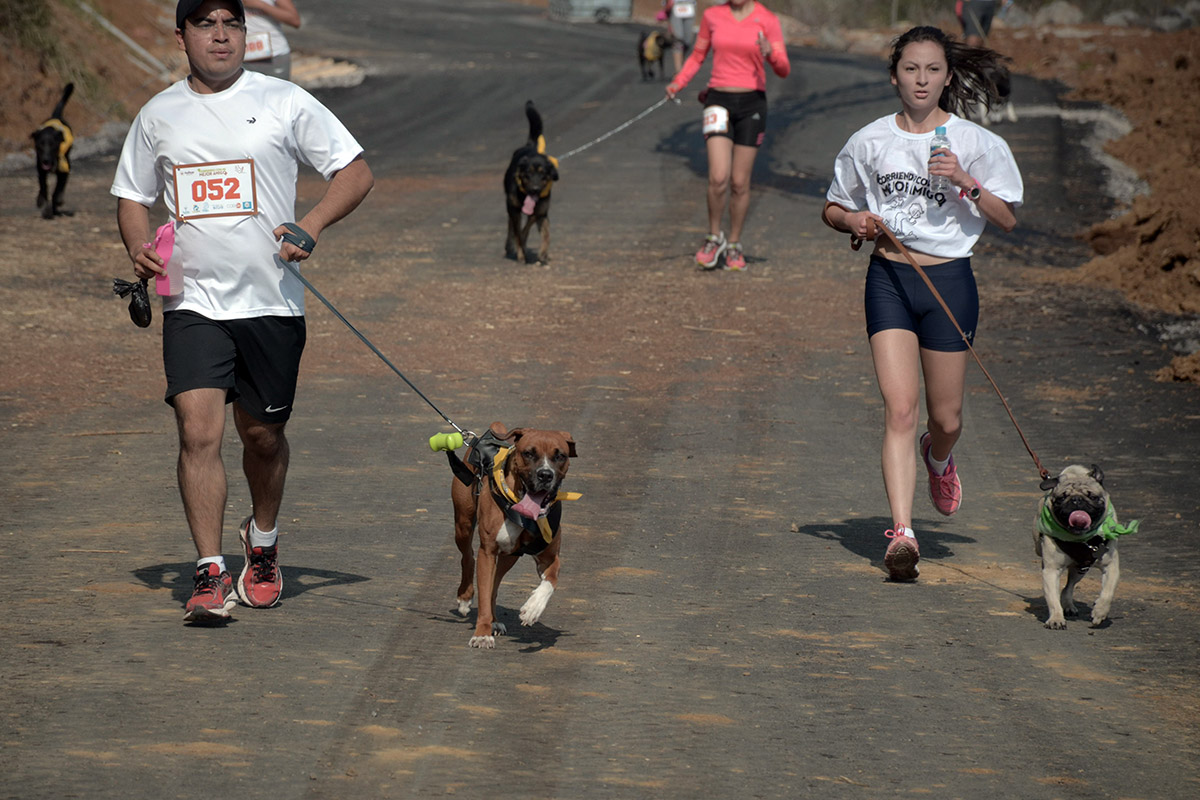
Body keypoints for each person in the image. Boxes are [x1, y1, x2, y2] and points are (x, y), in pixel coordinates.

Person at [111, 0, 374, 622]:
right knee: (197, 433)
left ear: (246, 35)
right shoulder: (159, 114)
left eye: (232, 24)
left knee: (262, 436)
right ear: (183, 38)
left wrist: (309, 225)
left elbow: (355, 172)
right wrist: (137, 247)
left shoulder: (284, 100)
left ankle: (262, 543)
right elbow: (131, 194)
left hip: (272, 304)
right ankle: (208, 572)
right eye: (206, 25)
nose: (221, 36)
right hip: (193, 303)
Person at [821, 26, 1022, 581]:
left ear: (947, 76)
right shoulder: (869, 141)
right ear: (894, 75)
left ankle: (939, 456)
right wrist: (854, 220)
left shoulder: (979, 144)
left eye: (932, 69)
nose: (921, 80)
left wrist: (965, 181)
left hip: (949, 284)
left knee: (946, 417)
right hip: (888, 278)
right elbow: (833, 207)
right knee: (900, 409)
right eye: (911, 69)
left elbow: (1007, 218)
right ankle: (903, 533)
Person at [666, 0, 790, 271]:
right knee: (718, 176)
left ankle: (734, 243)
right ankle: (714, 237)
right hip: (718, 100)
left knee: (739, 181)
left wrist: (770, 53)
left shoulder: (767, 20)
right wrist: (678, 82)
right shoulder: (713, 16)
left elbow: (783, 69)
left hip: (752, 104)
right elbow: (697, 56)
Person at [241, 0, 300, 81]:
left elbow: (295, 20)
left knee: (278, 92)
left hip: (275, 54)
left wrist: (261, 5)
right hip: (242, 57)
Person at [660, 0, 699, 74]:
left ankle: (682, 67)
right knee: (678, 39)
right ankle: (679, 72)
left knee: (687, 41)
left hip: (690, 5)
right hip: (675, 4)